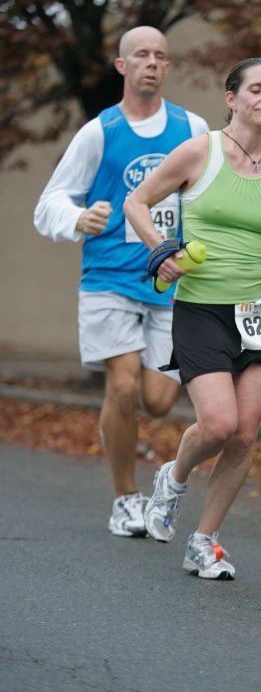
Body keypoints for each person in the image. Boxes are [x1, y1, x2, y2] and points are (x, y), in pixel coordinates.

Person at [123, 57, 261, 580]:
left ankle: (204, 541)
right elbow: (137, 201)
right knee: (218, 424)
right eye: (257, 89)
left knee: (245, 435)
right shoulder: (201, 151)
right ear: (232, 98)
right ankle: (172, 481)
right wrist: (160, 250)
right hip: (201, 308)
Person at [33, 26, 209, 538]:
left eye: (160, 56)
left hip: (169, 281)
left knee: (156, 400)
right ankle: (124, 498)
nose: (152, 63)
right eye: (141, 56)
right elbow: (51, 201)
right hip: (108, 276)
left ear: (168, 67)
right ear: (122, 66)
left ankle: (136, 452)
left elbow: (206, 192)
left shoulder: (191, 128)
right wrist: (78, 219)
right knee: (124, 383)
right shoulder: (99, 132)